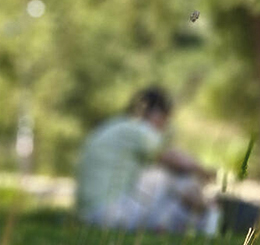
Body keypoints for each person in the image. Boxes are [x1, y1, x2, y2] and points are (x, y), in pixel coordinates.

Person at [75, 86, 220, 233]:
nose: (165, 126)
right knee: (167, 175)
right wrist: (204, 171)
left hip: (89, 215)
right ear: (156, 113)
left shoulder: (116, 126)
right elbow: (174, 158)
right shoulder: (137, 129)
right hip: (109, 214)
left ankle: (201, 219)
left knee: (159, 179)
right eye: (166, 119)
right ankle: (209, 217)